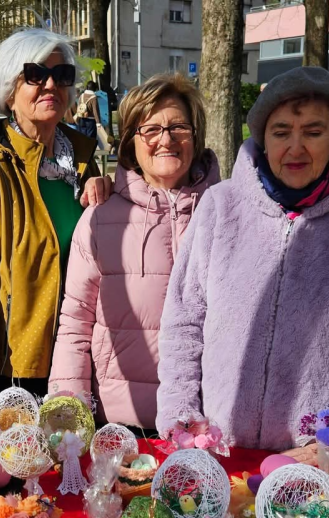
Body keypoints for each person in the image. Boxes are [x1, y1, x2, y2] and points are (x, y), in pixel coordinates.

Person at [156, 66, 329, 457]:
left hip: (315, 457)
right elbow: (184, 322)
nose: (295, 148)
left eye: (313, 132)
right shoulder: (220, 207)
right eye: (281, 133)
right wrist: (183, 423)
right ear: (261, 139)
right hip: (217, 449)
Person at [0, 29, 110, 428]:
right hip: (20, 368)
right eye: (35, 74)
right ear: (9, 88)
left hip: (84, 360)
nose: (50, 84)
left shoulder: (83, 164)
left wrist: (110, 192)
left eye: (62, 74)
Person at [50, 74, 220, 430]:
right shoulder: (101, 217)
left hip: (207, 423)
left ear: (196, 136)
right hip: (121, 424)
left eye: (179, 127)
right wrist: (69, 416)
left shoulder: (228, 214)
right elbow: (75, 323)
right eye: (151, 129)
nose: (166, 139)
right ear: (131, 141)